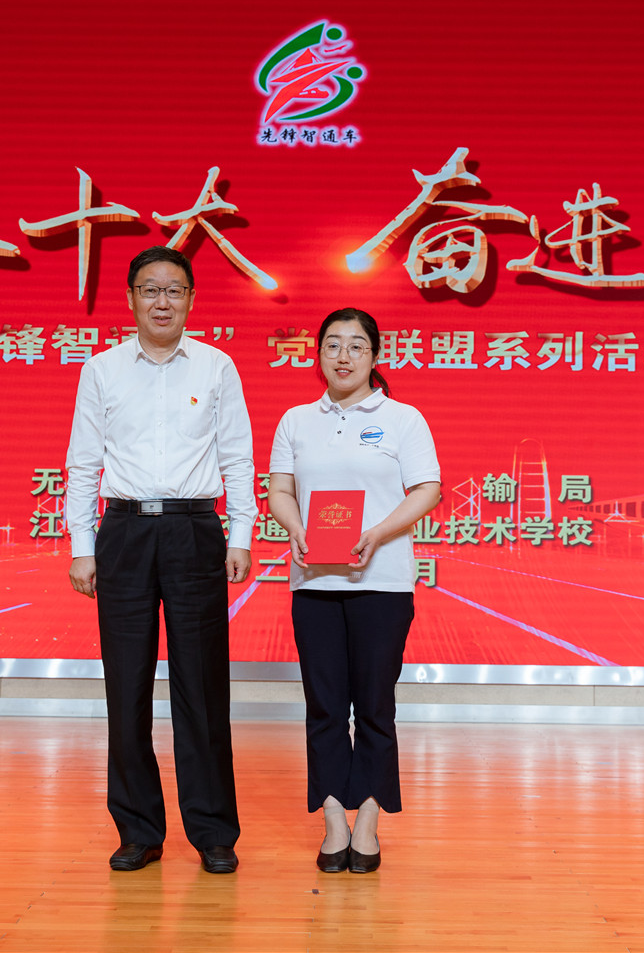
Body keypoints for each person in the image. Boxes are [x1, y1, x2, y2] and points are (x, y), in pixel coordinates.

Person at [64, 246, 256, 874]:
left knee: (202, 686)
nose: (162, 301)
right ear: (130, 299)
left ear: (192, 300)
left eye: (174, 290)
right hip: (123, 530)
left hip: (194, 529)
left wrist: (241, 534)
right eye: (150, 289)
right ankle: (138, 830)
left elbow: (237, 457)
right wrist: (82, 546)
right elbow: (83, 463)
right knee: (126, 686)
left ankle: (213, 832)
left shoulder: (217, 367)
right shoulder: (102, 370)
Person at [267, 308, 441, 874]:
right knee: (323, 706)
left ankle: (368, 816)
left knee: (373, 706)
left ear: (375, 355)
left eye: (356, 346)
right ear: (317, 353)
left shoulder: (402, 419)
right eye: (333, 345)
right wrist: (296, 527)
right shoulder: (296, 420)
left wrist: (378, 533)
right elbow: (280, 490)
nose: (343, 357)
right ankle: (333, 819)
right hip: (314, 582)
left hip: (381, 584)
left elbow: (428, 489)